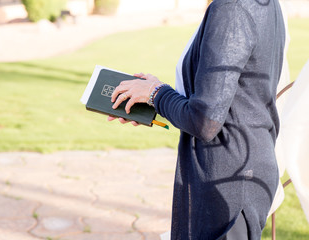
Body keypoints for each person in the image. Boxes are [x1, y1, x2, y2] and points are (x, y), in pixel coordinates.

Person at [108, 0, 286, 239]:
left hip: (228, 181)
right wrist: (153, 97)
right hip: (240, 169)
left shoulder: (231, 9)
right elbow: (224, 101)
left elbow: (205, 121)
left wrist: (156, 94)